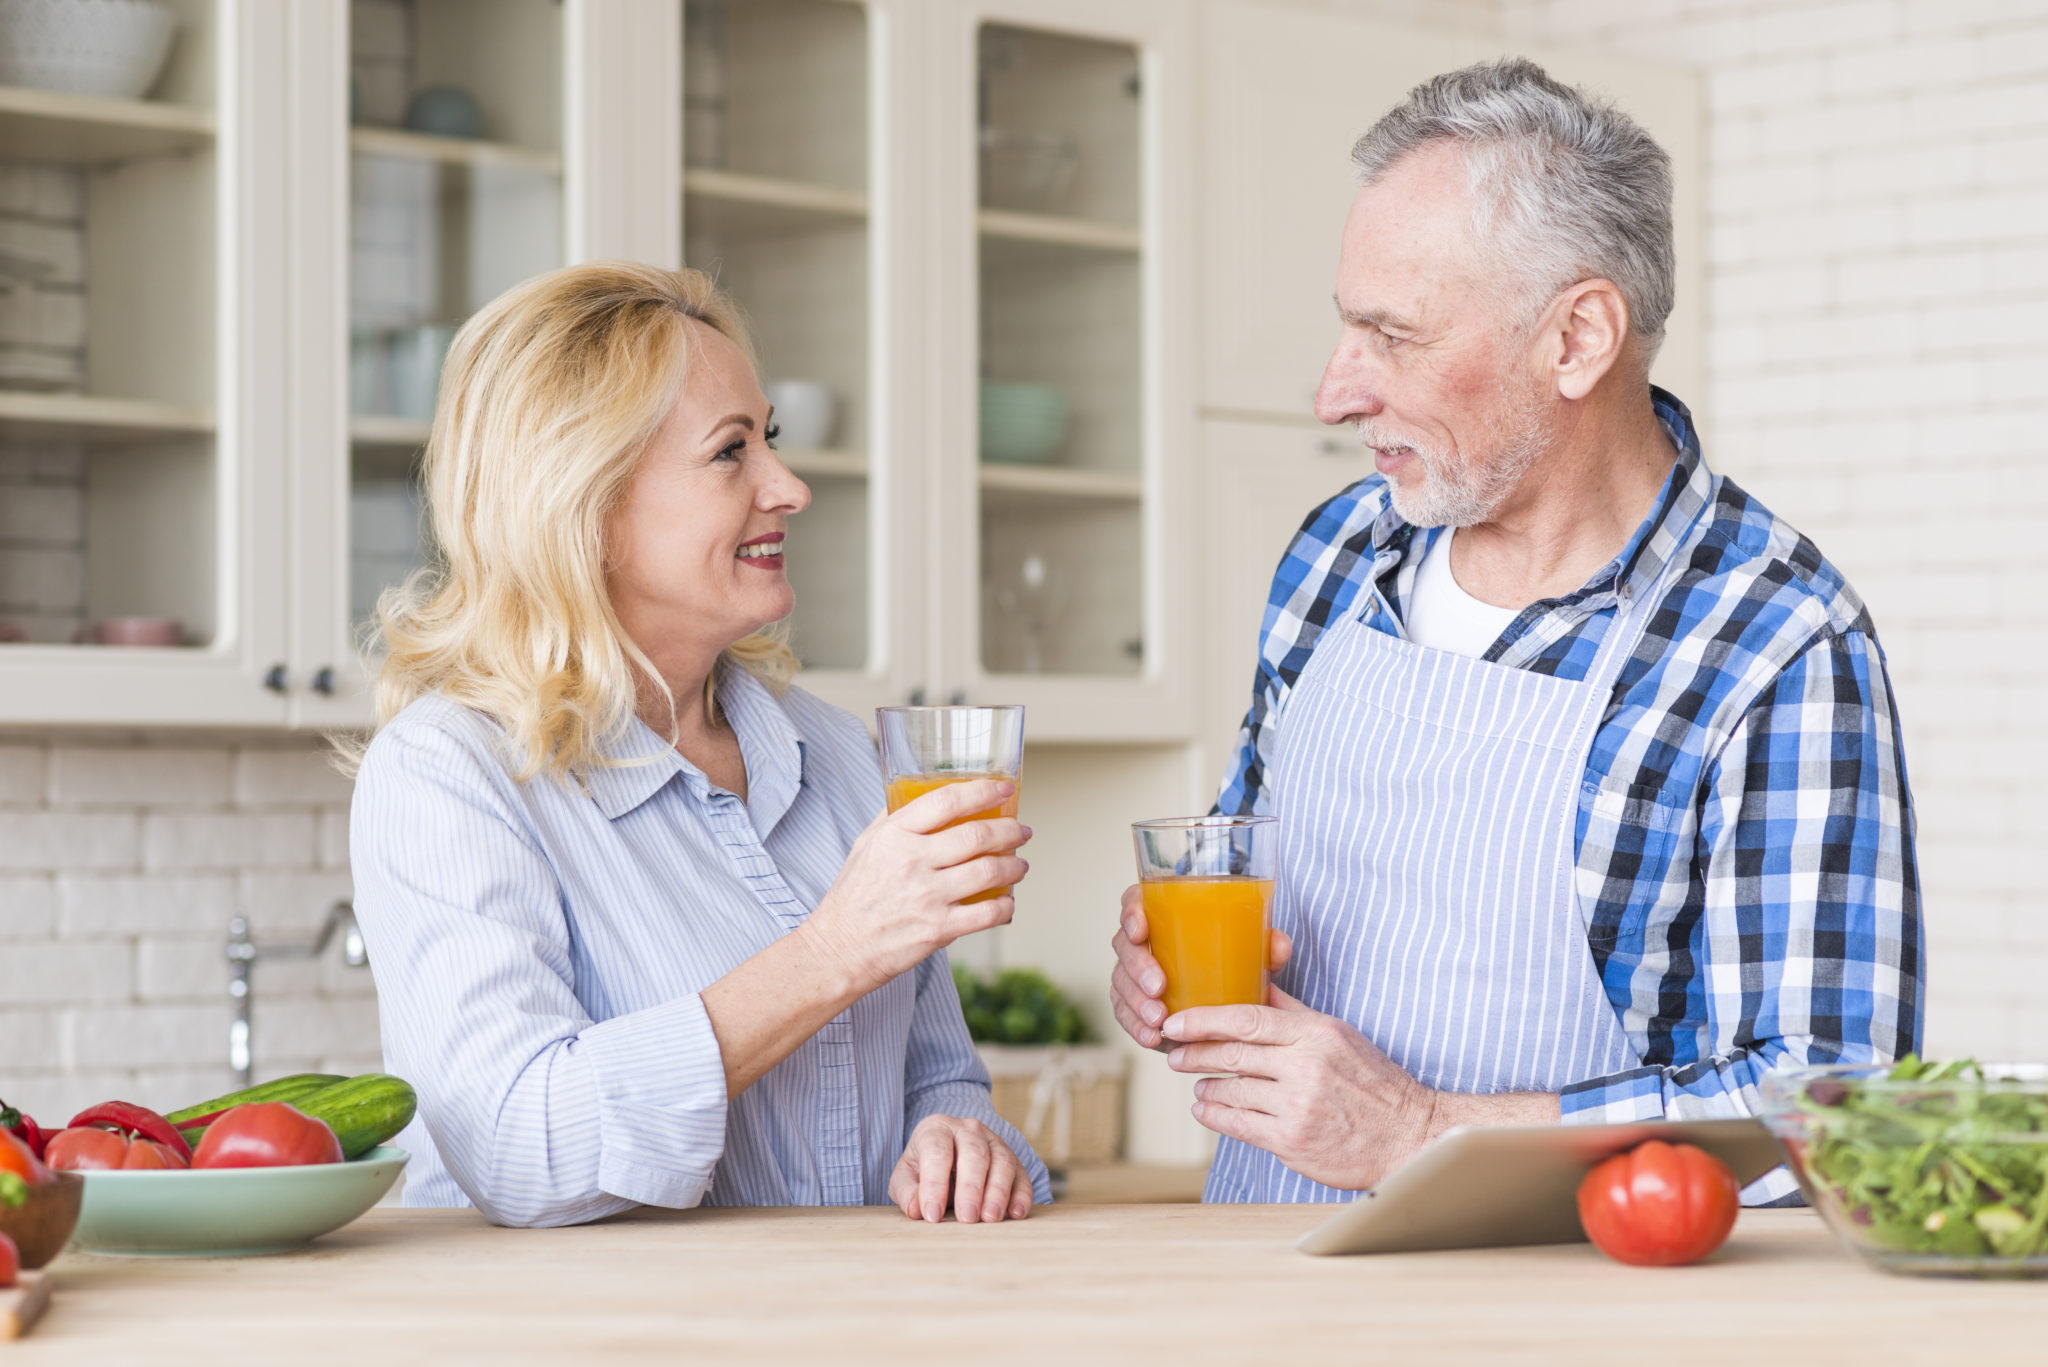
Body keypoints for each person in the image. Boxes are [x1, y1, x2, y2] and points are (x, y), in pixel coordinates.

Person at [1108, 59, 1923, 1205]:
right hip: (1251, 1280)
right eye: (1345, 328)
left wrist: (1427, 1131)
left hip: (1561, 1312)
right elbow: (1241, 871)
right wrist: (1158, 954)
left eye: (1392, 336)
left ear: (1578, 338)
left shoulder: (1771, 638)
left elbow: (1829, 1104)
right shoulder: (1339, 551)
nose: (1333, 392)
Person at [347, 262, 1047, 1228]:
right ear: (584, 508)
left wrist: (959, 1141)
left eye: (772, 439)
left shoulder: (846, 759)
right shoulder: (451, 775)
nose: (790, 487)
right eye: (731, 453)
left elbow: (942, 1081)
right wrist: (832, 950)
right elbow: (517, 1146)